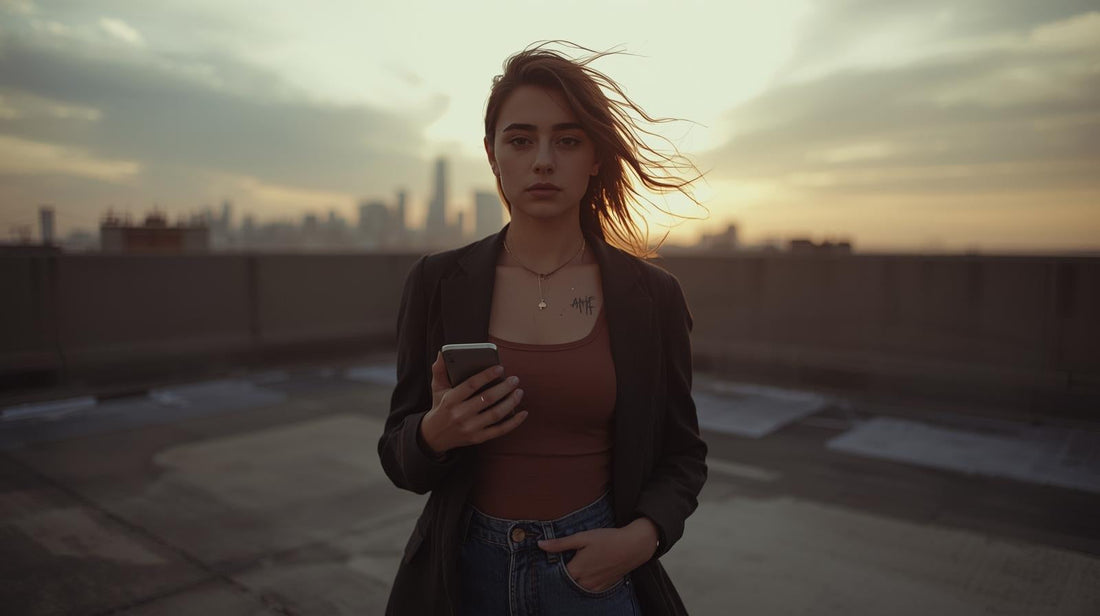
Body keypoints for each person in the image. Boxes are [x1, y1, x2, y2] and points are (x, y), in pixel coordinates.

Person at [378, 42, 707, 616]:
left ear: (595, 157)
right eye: (521, 139)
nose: (544, 161)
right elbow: (397, 455)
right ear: (492, 154)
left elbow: (682, 455)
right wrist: (435, 433)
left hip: (595, 575)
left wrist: (640, 539)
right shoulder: (436, 281)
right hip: (464, 573)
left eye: (569, 140)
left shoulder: (651, 297)